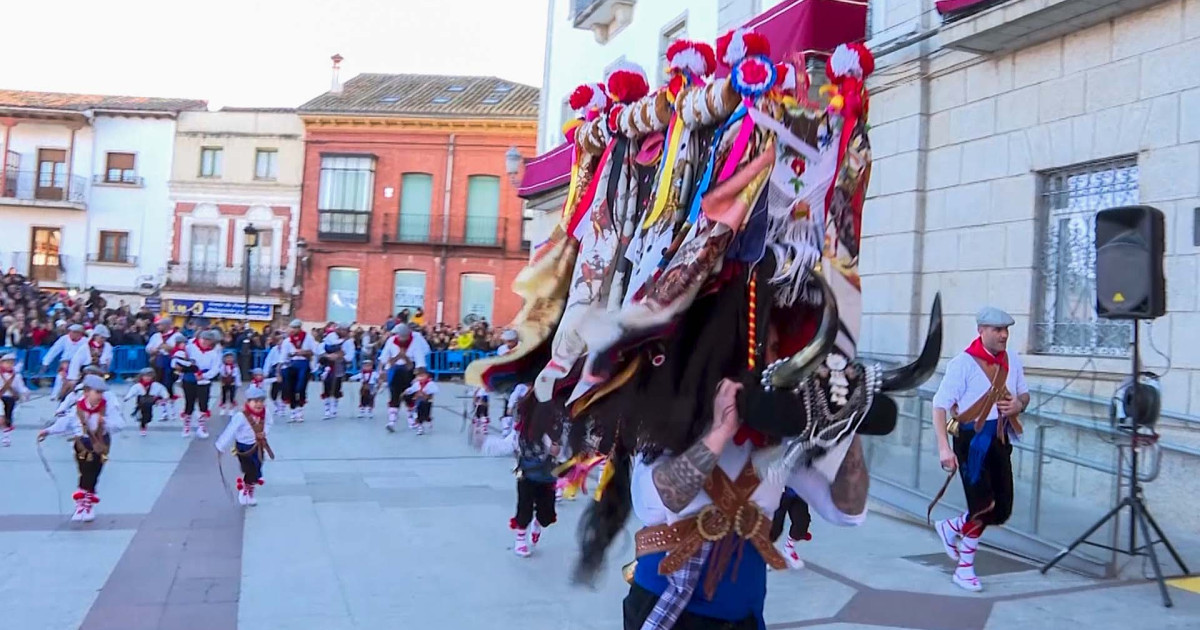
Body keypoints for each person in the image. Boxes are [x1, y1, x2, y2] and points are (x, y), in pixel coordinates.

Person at [931, 306, 1028, 593]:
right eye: (997, 330)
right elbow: (939, 406)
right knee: (983, 505)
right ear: (981, 331)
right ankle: (964, 569)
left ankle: (951, 528)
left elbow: (1024, 393)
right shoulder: (962, 364)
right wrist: (943, 448)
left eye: (1006, 329)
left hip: (1000, 440)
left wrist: (1019, 404)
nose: (1004, 335)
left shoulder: (1013, 360)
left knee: (1001, 511)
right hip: (970, 442)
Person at [38, 374, 125, 523]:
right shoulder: (78, 408)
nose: (99, 396)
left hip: (100, 443)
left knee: (95, 471)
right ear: (86, 392)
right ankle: (82, 504)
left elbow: (120, 424)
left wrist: (105, 421)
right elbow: (65, 422)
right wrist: (48, 431)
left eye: (101, 393)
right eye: (96, 392)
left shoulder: (107, 407)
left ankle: (87, 502)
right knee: (85, 470)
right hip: (83, 444)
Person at [510, 401, 560, 558]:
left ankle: (538, 523)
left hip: (548, 476)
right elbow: (510, 443)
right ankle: (520, 540)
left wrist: (557, 450)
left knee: (546, 516)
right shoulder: (523, 429)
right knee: (524, 507)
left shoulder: (556, 429)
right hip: (526, 474)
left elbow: (566, 451)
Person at [215, 385, 274, 506]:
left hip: (258, 446)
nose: (259, 404)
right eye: (256, 401)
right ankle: (245, 491)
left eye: (261, 401)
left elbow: (269, 423)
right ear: (248, 402)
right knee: (250, 469)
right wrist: (221, 446)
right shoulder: (240, 416)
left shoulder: (266, 412)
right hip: (243, 447)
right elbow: (230, 431)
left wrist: (264, 432)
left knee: (257, 466)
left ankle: (249, 489)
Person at [379, 324, 426, 432]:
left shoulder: (415, 341)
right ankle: (392, 421)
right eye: (399, 335)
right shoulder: (391, 341)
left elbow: (419, 360)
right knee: (394, 395)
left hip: (409, 370)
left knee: (409, 396)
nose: (401, 338)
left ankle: (412, 420)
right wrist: (381, 370)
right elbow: (384, 356)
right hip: (394, 370)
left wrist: (419, 375)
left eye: (403, 336)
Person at [177, 329, 222, 439]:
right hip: (189, 379)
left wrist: (205, 376)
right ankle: (186, 426)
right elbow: (180, 357)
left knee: (203, 404)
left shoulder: (214, 353)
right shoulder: (190, 347)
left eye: (208, 340)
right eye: (204, 339)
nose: (205, 342)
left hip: (204, 381)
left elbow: (216, 368)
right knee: (189, 403)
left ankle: (201, 426)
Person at [279, 319, 318, 423]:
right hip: (291, 364)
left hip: (304, 363)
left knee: (300, 387)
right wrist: (281, 367)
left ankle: (300, 409)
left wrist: (304, 352)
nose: (293, 330)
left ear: (299, 328)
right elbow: (283, 356)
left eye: (295, 328)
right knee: (290, 387)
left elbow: (315, 350)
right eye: (292, 328)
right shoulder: (287, 341)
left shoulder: (308, 338)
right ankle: (292, 410)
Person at [146, 319, 181, 420]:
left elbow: (182, 349)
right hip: (158, 362)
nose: (158, 327)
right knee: (159, 386)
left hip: (171, 363)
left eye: (160, 325)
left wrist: (170, 348)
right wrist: (153, 349)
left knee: (169, 386)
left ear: (167, 325)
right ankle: (164, 412)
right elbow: (148, 348)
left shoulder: (177, 336)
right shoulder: (156, 336)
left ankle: (173, 411)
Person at [769, 487, 812, 570]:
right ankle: (767, 551)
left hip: (798, 490)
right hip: (779, 490)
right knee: (775, 525)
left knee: (802, 522)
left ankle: (788, 549)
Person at [318, 328, 354, 420]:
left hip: (339, 365)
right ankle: (327, 409)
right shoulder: (324, 344)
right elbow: (320, 352)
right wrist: (328, 356)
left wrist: (339, 356)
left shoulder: (348, 343)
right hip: (327, 366)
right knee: (326, 385)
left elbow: (349, 356)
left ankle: (334, 408)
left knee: (337, 386)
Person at [41, 323, 87, 393]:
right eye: (71, 332)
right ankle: (55, 395)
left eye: (74, 332)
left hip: (79, 364)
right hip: (65, 362)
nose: (71, 334)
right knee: (60, 377)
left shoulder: (85, 341)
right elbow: (54, 350)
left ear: (79, 333)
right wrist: (46, 363)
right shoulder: (64, 339)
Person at [123, 367, 170, 437]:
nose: (147, 378)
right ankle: (143, 426)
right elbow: (132, 391)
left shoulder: (156, 385)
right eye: (145, 376)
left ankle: (145, 422)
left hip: (150, 401)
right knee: (143, 413)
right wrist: (127, 397)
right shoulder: (138, 386)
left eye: (149, 376)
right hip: (141, 401)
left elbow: (162, 390)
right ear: (141, 377)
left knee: (148, 416)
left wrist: (165, 397)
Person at [0, 352, 31, 447]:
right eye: (7, 362)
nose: (10, 365)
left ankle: (6, 436)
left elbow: (21, 387)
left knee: (8, 418)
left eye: (12, 363)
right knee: (1, 418)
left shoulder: (16, 376)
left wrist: (25, 393)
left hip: (10, 399)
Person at [402, 366, 438, 435]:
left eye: (422, 376)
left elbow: (435, 390)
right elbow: (412, 389)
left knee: (426, 414)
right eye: (418, 376)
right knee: (418, 412)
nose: (420, 378)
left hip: (427, 401)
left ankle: (428, 419)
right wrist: (407, 391)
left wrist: (426, 393)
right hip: (419, 401)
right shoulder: (417, 384)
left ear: (427, 375)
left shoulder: (430, 383)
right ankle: (420, 427)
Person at [262, 332, 286, 419]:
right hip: (274, 371)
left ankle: (282, 408)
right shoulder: (274, 350)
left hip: (285, 370)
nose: (281, 342)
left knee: (284, 390)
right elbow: (268, 361)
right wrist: (265, 372)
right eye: (279, 341)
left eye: (282, 340)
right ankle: (276, 405)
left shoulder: (288, 350)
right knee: (274, 392)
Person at [218, 351, 242, 416]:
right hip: (224, 383)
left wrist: (238, 383)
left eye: (231, 358)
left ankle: (231, 409)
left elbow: (237, 375)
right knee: (224, 396)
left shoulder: (235, 367)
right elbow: (221, 373)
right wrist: (224, 375)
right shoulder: (223, 366)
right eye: (227, 358)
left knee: (232, 396)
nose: (229, 359)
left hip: (232, 383)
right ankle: (223, 408)